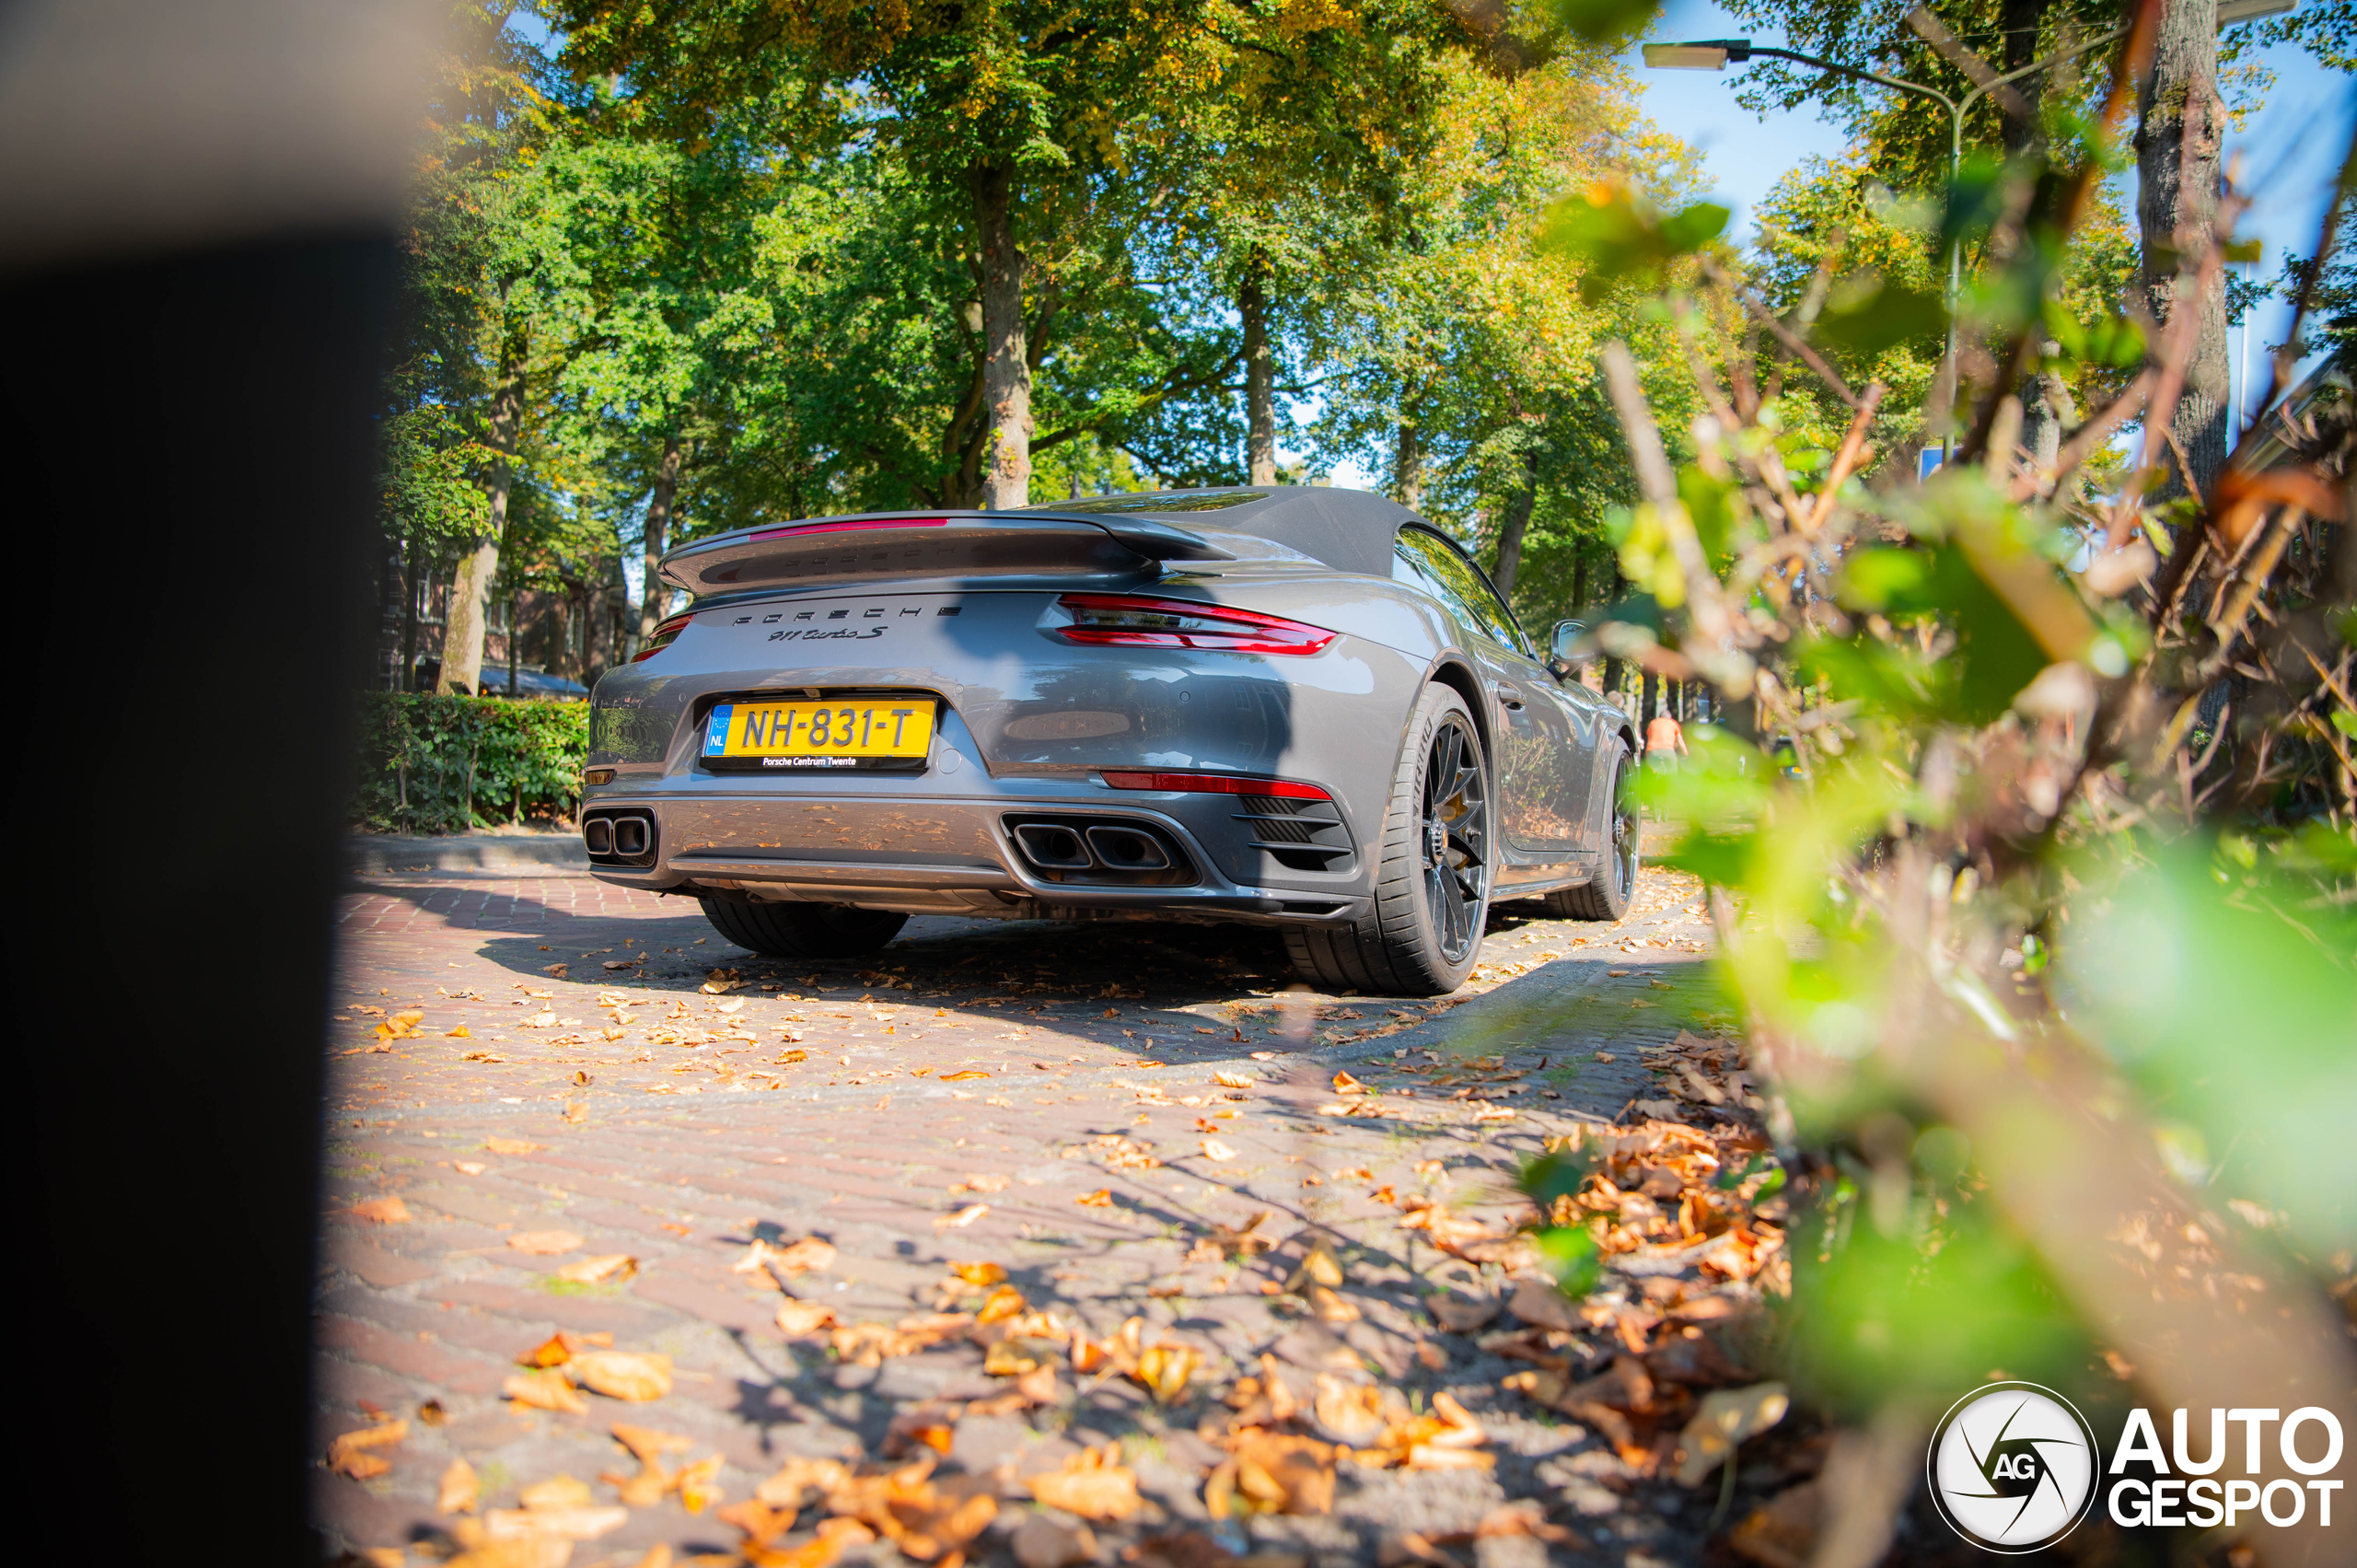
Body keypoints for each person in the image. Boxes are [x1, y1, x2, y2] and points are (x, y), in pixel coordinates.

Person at [1644, 706, 1687, 770]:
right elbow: (1680, 741)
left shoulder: (1652, 723)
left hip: (1652, 751)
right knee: (1672, 769)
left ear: (1659, 717)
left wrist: (1647, 754)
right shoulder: (1673, 723)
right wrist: (1685, 753)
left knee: (1651, 771)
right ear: (1669, 718)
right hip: (1668, 751)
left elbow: (1649, 738)